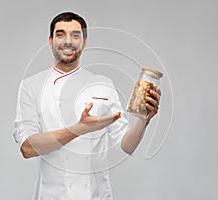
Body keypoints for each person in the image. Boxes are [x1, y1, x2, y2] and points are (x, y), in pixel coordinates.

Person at [13, 11, 161, 200]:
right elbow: (28, 148)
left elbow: (126, 145)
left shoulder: (103, 84)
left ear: (84, 42)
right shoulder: (31, 86)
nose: (68, 41)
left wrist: (143, 121)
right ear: (50, 40)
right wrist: (79, 129)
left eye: (75, 35)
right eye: (61, 34)